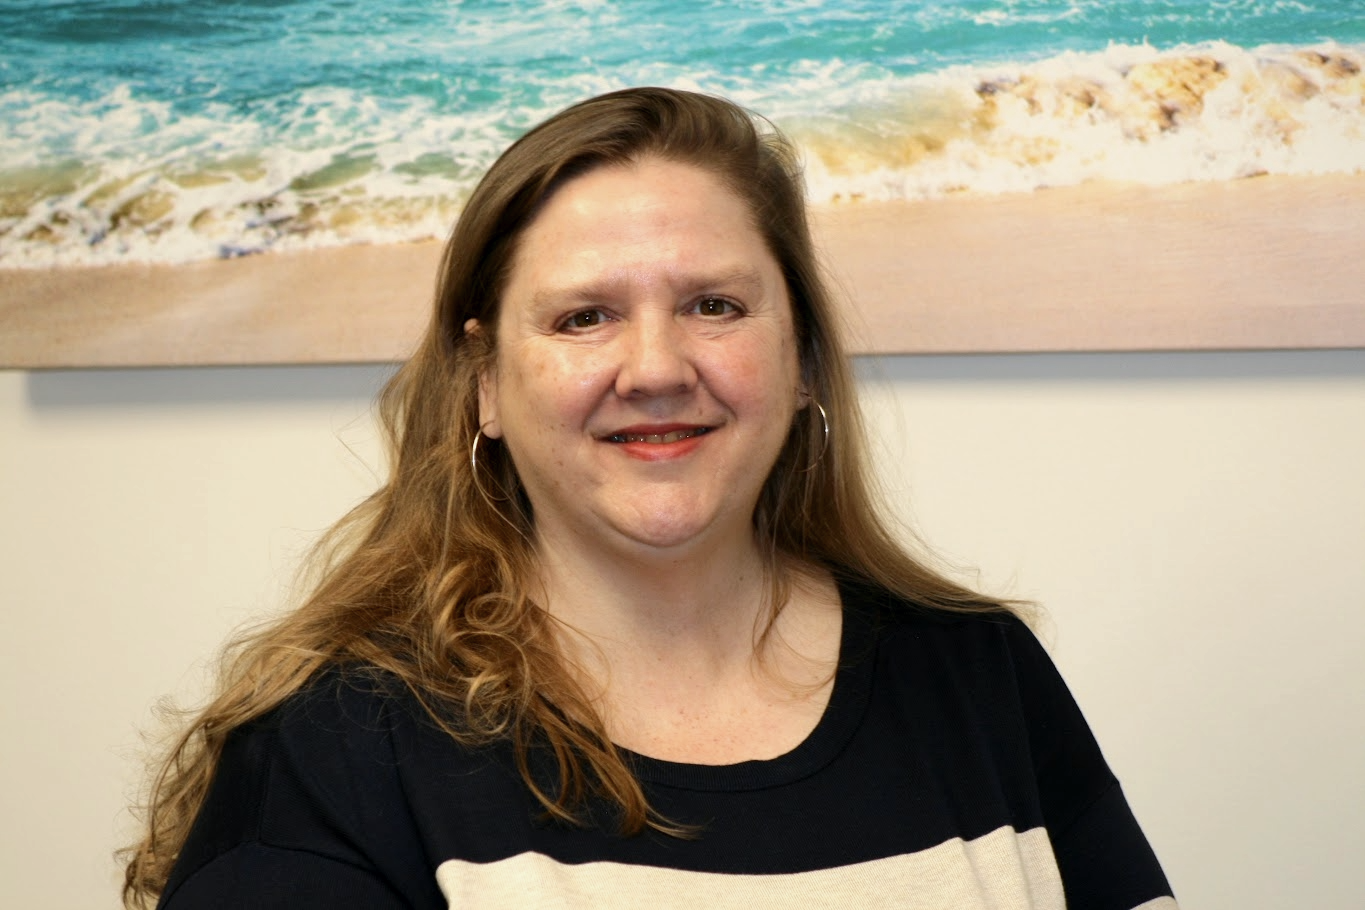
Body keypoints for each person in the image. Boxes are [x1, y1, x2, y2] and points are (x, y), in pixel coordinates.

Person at [122, 87, 1176, 910]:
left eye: (714, 304)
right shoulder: (336, 751)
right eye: (584, 317)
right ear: (485, 383)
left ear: (801, 357)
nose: (657, 366)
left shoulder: (979, 679)